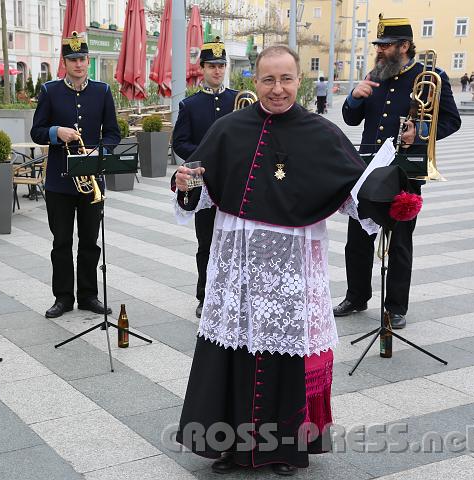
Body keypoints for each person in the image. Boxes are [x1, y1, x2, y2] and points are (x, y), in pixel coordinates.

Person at [172, 45, 384, 476]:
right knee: (232, 354)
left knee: (284, 359)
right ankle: (230, 447)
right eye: (268, 80)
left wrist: (392, 197)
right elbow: (200, 192)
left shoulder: (322, 133)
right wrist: (184, 183)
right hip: (240, 268)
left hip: (291, 271)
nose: (278, 89)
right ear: (255, 82)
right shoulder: (228, 129)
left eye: (286, 79)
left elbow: (355, 193)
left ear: (298, 81)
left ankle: (284, 449)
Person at [333, 16, 461, 328]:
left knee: (400, 241)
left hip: (404, 171)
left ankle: (395, 306)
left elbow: (451, 121)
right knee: (358, 236)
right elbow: (351, 119)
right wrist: (353, 98)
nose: (379, 50)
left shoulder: (431, 77)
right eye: (378, 45)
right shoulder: (373, 75)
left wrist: (420, 132)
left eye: (386, 46)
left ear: (404, 46)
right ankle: (357, 295)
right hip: (367, 169)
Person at [31, 32, 120, 319]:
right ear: (65, 62)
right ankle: (63, 297)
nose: (79, 64)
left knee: (90, 242)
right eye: (73, 60)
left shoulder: (102, 91)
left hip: (92, 178)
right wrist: (57, 132)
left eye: (82, 59)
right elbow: (37, 132)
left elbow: (114, 134)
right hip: (59, 181)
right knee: (61, 243)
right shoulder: (50, 91)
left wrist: (98, 151)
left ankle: (89, 295)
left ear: (88, 61)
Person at [171, 37, 238, 318]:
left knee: (235, 241)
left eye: (222, 66)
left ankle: (233, 293)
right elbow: (179, 143)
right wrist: (204, 156)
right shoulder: (190, 104)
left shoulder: (237, 99)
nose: (217, 71)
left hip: (233, 180)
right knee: (206, 242)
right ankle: (205, 295)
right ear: (202, 68)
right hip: (202, 180)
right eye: (212, 66)